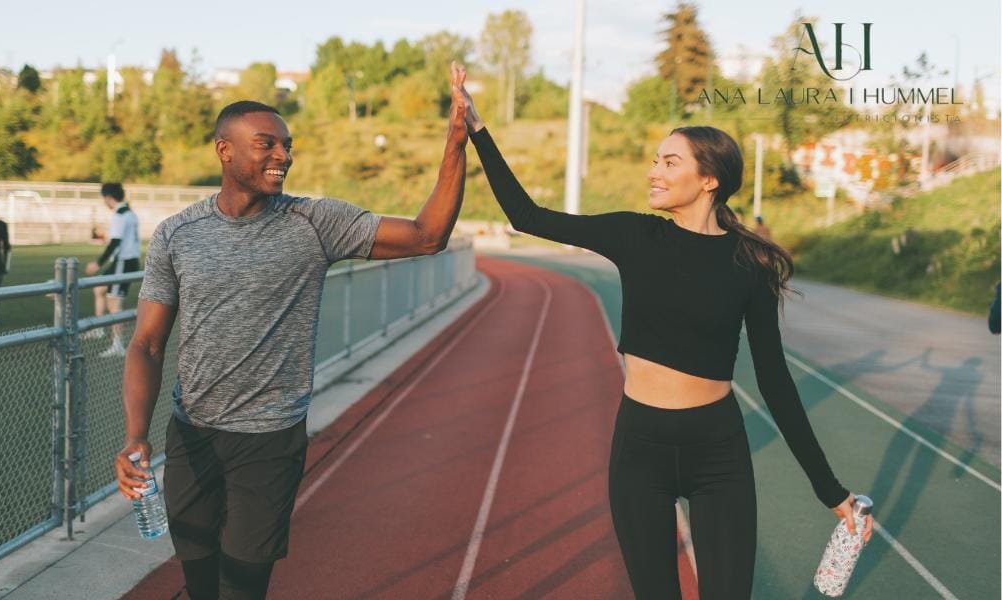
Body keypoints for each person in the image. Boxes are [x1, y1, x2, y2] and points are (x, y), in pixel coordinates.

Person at [457, 80, 870, 599]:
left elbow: (775, 382)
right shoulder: (636, 236)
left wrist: (830, 491)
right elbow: (527, 215)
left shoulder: (751, 264)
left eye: (670, 162)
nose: (654, 171)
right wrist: (477, 129)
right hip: (640, 447)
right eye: (656, 160)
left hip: (718, 451)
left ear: (708, 180)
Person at [113, 63, 469, 599]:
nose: (283, 156)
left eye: (287, 145)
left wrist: (455, 141)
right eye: (266, 144)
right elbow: (146, 343)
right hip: (191, 434)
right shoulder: (176, 234)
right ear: (224, 150)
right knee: (199, 576)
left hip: (269, 440)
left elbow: (426, 236)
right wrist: (136, 436)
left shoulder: (314, 222)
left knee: (242, 585)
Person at [85, 182, 140, 357]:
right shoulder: (129, 212)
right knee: (99, 288)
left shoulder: (120, 215)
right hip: (126, 261)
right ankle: (100, 328)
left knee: (114, 303)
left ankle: (118, 345)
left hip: (123, 262)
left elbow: (115, 242)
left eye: (104, 199)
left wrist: (98, 263)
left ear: (108, 198)